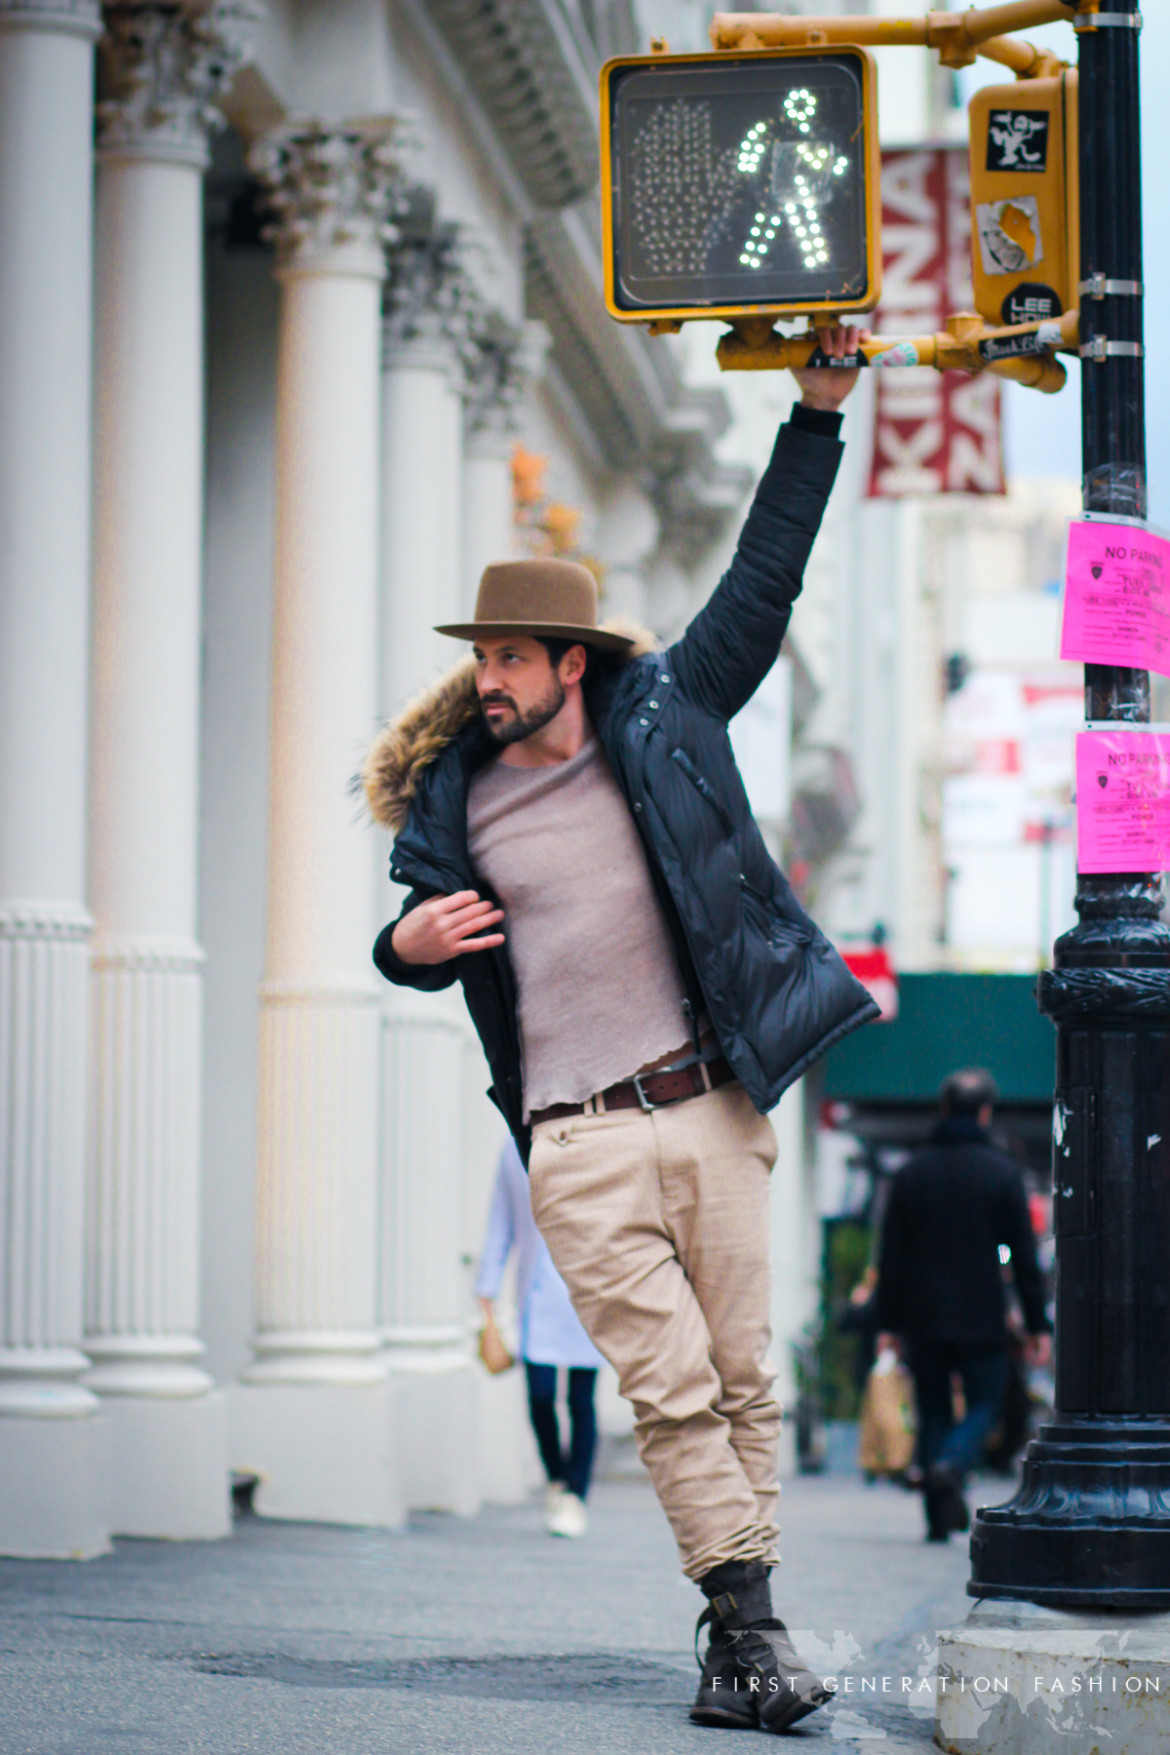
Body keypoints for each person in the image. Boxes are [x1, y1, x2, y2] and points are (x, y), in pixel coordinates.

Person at [364, 325, 876, 1735]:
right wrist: (398, 947)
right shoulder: (453, 805)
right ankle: (751, 1626)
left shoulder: (668, 714)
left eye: (512, 658)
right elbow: (414, 939)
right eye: (481, 658)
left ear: (572, 664)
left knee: (742, 1372)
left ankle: (736, 1635)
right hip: (575, 1139)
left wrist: (814, 414)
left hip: (708, 1101)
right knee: (664, 1389)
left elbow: (759, 582)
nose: (488, 680)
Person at [874, 1068, 1052, 1543]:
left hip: (922, 1313)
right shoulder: (1002, 1172)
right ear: (986, 1112)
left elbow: (891, 1255)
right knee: (987, 1402)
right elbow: (1024, 1255)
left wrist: (887, 1320)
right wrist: (1038, 1323)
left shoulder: (912, 1173)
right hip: (981, 1312)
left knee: (933, 1408)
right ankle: (952, 1463)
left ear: (944, 1108)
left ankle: (935, 1518)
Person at [475, 1136, 605, 1538]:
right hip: (536, 1292)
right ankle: (557, 1479)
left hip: (589, 1290)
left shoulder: (598, 1142)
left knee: (581, 1400)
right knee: (540, 1395)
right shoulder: (514, 1148)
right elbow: (503, 1222)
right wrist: (487, 1288)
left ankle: (576, 1495)